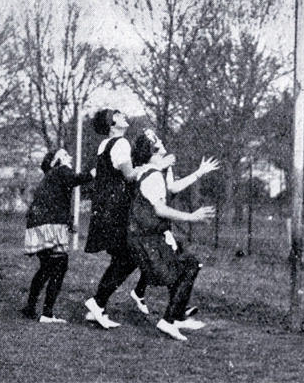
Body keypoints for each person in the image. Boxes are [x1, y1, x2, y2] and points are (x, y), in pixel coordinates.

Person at [83, 109, 174, 329]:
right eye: (118, 116)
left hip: (104, 209)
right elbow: (129, 175)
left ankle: (98, 306)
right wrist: (155, 167)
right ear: (112, 124)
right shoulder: (121, 143)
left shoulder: (105, 145)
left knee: (123, 258)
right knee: (128, 257)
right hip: (115, 211)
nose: (124, 117)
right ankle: (97, 303)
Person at [126, 129, 215, 340]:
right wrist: (192, 217)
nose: (164, 149)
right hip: (147, 240)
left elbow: (171, 188)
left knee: (186, 263)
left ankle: (175, 318)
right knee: (188, 266)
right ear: (152, 154)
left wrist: (198, 173)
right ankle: (169, 321)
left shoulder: (151, 171)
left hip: (147, 238)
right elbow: (160, 209)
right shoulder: (153, 174)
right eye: (158, 148)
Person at [21, 149, 94, 323]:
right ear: (58, 160)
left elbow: (56, 202)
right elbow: (74, 180)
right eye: (65, 154)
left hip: (37, 225)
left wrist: (69, 222)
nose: (70, 155)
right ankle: (47, 314)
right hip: (50, 226)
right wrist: (92, 174)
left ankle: (30, 307)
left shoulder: (50, 177)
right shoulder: (62, 170)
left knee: (46, 268)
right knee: (60, 266)